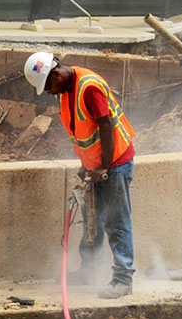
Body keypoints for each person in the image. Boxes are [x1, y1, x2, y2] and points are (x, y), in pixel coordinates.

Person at [23, 52, 136, 299]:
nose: (50, 93)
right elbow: (85, 132)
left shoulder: (88, 88)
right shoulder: (67, 91)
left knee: (117, 222)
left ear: (55, 74)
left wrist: (103, 167)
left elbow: (105, 126)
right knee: (92, 219)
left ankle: (123, 279)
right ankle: (88, 271)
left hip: (115, 163)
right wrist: (88, 165)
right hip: (98, 166)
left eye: (48, 87)